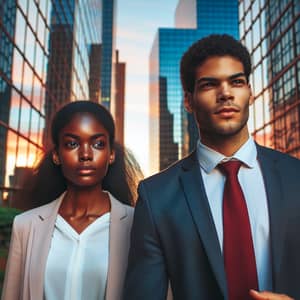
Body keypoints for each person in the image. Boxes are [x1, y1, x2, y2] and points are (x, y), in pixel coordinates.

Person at [123, 34, 300, 300]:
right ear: (188, 100)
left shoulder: (295, 177)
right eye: (209, 85)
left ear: (250, 92)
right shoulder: (156, 197)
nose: (226, 93)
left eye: (237, 82)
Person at [1, 100, 143, 300]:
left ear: (111, 154)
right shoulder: (26, 226)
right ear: (57, 155)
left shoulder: (138, 225)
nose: (85, 154)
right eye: (72, 144)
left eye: (98, 144)